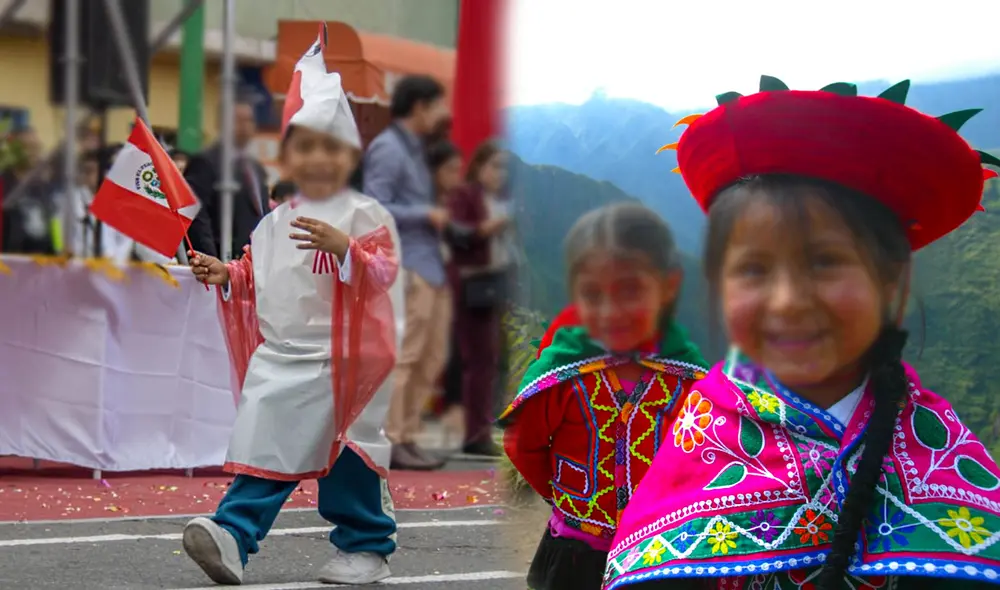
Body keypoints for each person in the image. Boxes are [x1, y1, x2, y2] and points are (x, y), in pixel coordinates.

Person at [603, 77, 1000, 590]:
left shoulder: (940, 448)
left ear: (890, 279)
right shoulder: (700, 441)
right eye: (752, 269)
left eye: (825, 261)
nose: (788, 301)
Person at [181, 32, 402, 586]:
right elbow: (258, 272)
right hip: (283, 357)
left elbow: (385, 272)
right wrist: (227, 274)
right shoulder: (275, 220)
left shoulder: (364, 213)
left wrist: (346, 249)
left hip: (343, 362)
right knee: (267, 443)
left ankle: (367, 545)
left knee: (347, 458)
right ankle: (232, 536)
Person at [500, 202, 709, 590]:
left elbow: (700, 457)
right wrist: (563, 497)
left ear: (667, 288)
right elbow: (522, 445)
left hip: (658, 553)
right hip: (576, 550)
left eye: (631, 290)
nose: (611, 311)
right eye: (592, 293)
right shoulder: (562, 378)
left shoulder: (687, 380)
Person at [364, 74, 452, 470]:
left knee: (432, 356)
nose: (441, 114)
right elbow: (375, 205)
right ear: (419, 106)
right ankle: (393, 437)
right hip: (409, 264)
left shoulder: (416, 149)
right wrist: (425, 213)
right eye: (437, 105)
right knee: (408, 354)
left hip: (430, 265)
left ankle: (409, 432)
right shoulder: (389, 148)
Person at [447, 140, 515, 457]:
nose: (500, 174)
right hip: (473, 283)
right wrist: (488, 228)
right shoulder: (466, 196)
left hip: (499, 280)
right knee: (479, 360)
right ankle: (476, 432)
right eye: (495, 166)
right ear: (480, 166)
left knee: (496, 358)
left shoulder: (505, 198)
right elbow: (456, 235)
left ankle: (489, 423)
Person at [186, 93, 270, 260]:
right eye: (238, 120)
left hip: (255, 261)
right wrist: (211, 260)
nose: (244, 127)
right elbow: (197, 217)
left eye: (249, 120)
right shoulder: (206, 162)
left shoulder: (255, 169)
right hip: (223, 259)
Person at [425, 140, 466, 445]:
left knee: (446, 351)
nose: (456, 175)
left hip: (449, 283)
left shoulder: (454, 201)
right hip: (421, 282)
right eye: (451, 169)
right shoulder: (421, 204)